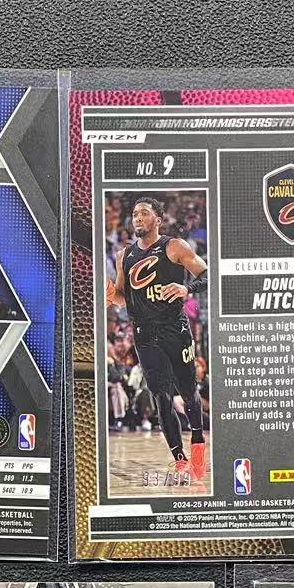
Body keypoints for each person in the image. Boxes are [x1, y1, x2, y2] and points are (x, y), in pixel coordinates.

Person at [105, 196, 209, 483]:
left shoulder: (174, 246)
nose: (137, 218)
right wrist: (109, 294)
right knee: (161, 397)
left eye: (144, 213)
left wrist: (186, 289)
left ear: (158, 219)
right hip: (144, 333)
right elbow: (123, 297)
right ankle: (180, 459)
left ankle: (197, 439)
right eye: (135, 214)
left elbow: (207, 274)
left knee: (188, 391)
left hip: (174, 328)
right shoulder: (124, 255)